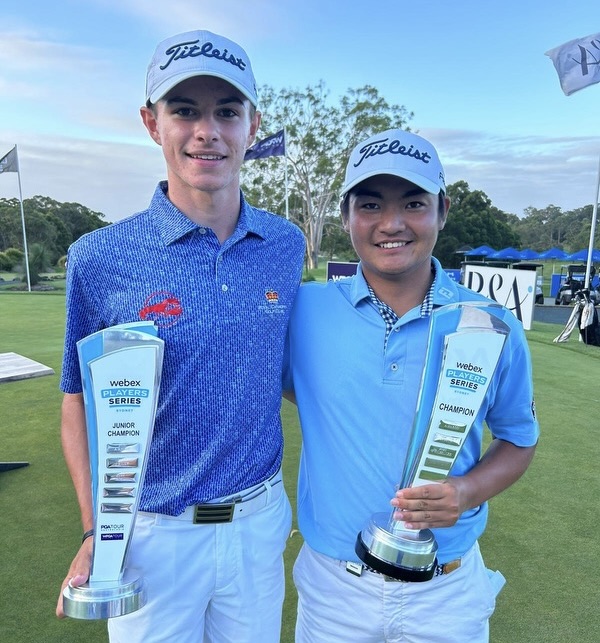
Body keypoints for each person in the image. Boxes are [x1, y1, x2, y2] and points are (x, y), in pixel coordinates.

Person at [56, 29, 305, 643]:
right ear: (151, 122)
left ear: (251, 124)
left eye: (226, 111)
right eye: (184, 110)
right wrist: (96, 533)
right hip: (150, 534)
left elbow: (289, 373)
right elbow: (77, 403)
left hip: (257, 523)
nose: (207, 131)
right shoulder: (99, 256)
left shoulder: (284, 244)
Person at [283, 129, 538, 642]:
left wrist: (466, 491)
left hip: (445, 590)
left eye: (414, 204)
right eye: (371, 204)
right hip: (335, 587)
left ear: (442, 211)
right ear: (346, 216)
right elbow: (299, 390)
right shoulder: (303, 311)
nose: (391, 224)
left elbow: (518, 437)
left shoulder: (490, 324)